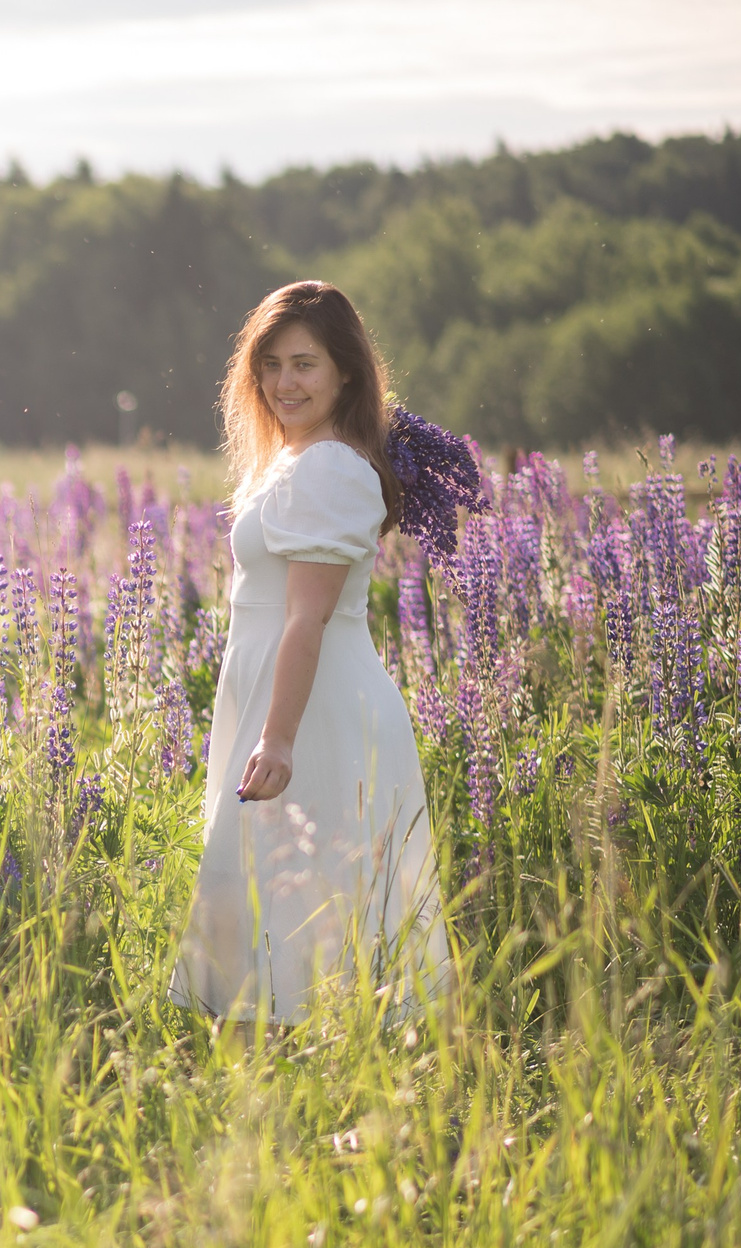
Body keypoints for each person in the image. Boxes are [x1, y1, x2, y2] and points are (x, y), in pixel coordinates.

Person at [169, 280, 453, 1033]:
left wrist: (278, 736)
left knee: (303, 899)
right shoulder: (293, 461)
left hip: (313, 706)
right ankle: (281, 1094)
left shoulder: (330, 469)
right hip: (283, 694)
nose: (284, 383)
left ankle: (321, 1091)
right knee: (277, 899)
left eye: (305, 364)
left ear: (346, 373)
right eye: (271, 364)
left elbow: (307, 618)